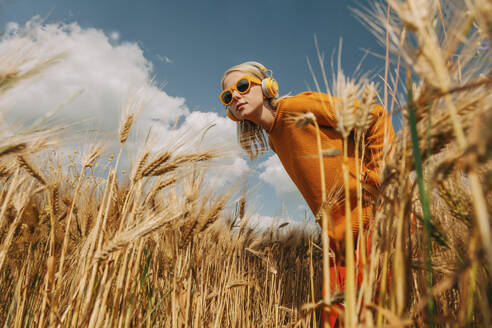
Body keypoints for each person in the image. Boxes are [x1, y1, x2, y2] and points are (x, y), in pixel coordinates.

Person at [220, 61, 394, 327]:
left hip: (375, 223)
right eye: (228, 96)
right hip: (340, 239)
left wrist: (374, 184)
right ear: (230, 111)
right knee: (334, 319)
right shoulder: (274, 140)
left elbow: (375, 116)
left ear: (267, 86)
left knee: (373, 317)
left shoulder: (296, 107)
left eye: (242, 86)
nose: (237, 96)